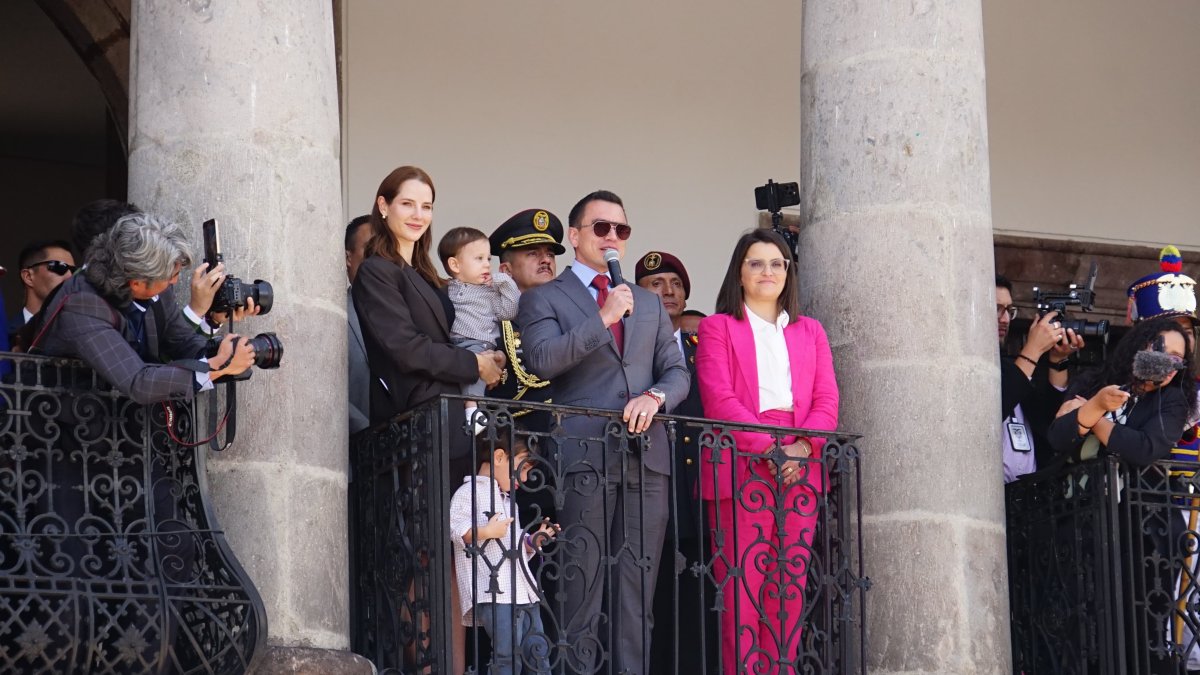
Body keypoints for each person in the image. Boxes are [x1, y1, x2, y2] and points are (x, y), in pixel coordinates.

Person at [517, 190, 689, 674]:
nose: (612, 238)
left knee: (637, 594)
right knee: (581, 588)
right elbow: (543, 361)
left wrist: (654, 398)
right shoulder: (544, 297)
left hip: (647, 458)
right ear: (575, 237)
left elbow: (676, 372)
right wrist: (604, 317)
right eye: (601, 228)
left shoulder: (650, 304)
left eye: (621, 230)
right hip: (584, 455)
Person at [350, 165, 504, 674]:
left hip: (449, 430)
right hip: (412, 424)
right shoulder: (377, 271)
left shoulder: (430, 276)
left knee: (449, 562)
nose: (418, 215)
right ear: (383, 205)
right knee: (420, 561)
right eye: (408, 203)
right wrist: (471, 365)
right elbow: (401, 347)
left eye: (427, 205)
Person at [695, 228, 839, 674]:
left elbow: (827, 401)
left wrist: (801, 448)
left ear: (788, 272)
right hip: (742, 461)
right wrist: (775, 449)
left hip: (802, 461)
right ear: (739, 273)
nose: (768, 271)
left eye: (777, 263)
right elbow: (720, 400)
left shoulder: (810, 330)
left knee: (788, 591)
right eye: (756, 263)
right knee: (743, 595)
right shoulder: (716, 327)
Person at [1048, 317, 1196, 675]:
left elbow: (1144, 448)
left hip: (1145, 539)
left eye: (1180, 357)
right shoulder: (1093, 382)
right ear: (1141, 346)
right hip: (1082, 526)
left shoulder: (1172, 400)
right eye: (1163, 350)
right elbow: (1057, 439)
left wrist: (1093, 412)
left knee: (1137, 635)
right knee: (1082, 630)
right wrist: (1095, 404)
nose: (1171, 362)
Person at [31, 213, 256, 400]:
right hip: (70, 435)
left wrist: (226, 350)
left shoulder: (157, 289)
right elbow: (138, 382)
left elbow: (181, 341)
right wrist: (217, 367)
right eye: (171, 276)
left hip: (125, 435)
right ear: (137, 282)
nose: (175, 282)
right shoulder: (82, 306)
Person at [635, 250, 716, 673]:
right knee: (656, 588)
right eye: (655, 284)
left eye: (675, 284)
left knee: (703, 588)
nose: (667, 291)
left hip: (698, 480)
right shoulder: (632, 341)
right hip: (653, 480)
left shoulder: (703, 343)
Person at [450, 435, 557, 675]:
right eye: (522, 466)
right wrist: (486, 531)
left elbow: (514, 543)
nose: (526, 477)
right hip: (494, 591)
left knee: (538, 653)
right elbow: (455, 528)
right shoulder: (468, 492)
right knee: (506, 655)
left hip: (521, 590)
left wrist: (532, 541)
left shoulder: (508, 501)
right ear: (499, 457)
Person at [996, 274, 1082, 481]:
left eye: (1009, 310)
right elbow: (988, 414)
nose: (1005, 319)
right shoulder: (965, 370)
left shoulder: (1013, 366)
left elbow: (1048, 421)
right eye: (997, 308)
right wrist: (1032, 350)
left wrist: (1057, 360)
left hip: (1028, 500)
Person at [488, 209, 565, 428]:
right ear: (506, 270)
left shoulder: (569, 314)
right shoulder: (488, 318)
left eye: (550, 254)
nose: (545, 260)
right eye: (532, 253)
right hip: (512, 442)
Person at [436, 226, 520, 422]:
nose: (486, 265)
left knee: (475, 368)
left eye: (488, 259)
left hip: (479, 343)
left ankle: (472, 408)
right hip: (452, 345)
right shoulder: (444, 290)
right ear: (455, 265)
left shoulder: (490, 292)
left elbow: (510, 311)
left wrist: (504, 282)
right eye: (479, 259)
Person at [11, 240, 76, 339]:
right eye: (59, 267)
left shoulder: (79, 332)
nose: (70, 276)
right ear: (28, 277)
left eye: (73, 271)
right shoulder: (5, 334)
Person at [345, 214, 372, 436]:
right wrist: (366, 430)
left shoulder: (409, 313)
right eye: (370, 251)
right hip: (356, 453)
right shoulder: (333, 316)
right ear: (348, 258)